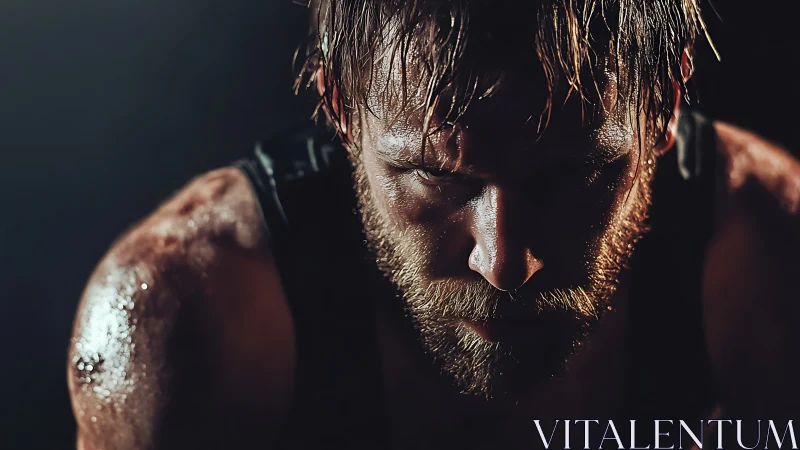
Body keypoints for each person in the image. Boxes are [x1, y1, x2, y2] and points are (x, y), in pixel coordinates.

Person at [67, 0, 800, 448]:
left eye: (573, 175)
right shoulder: (189, 324)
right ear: (342, 107)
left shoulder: (767, 255)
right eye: (438, 176)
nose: (505, 261)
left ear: (664, 105)